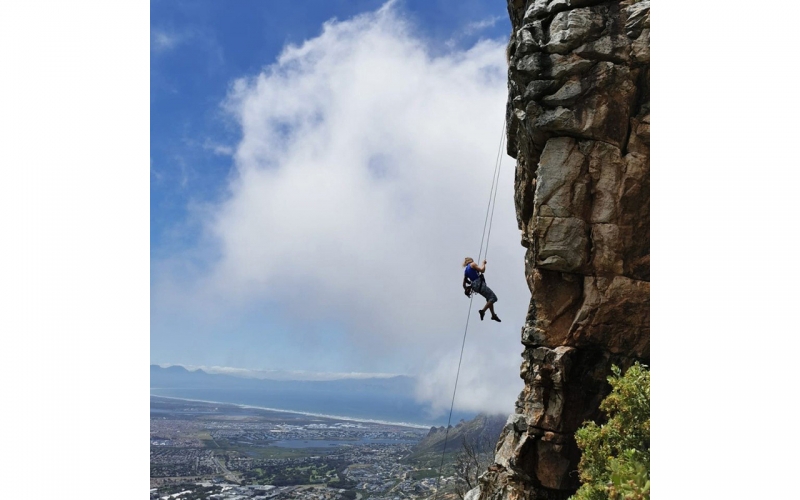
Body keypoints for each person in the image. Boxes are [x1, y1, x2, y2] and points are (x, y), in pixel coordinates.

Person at [462, 257, 501, 322]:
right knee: (493, 297)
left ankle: (493, 315)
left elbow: (464, 285)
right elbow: (482, 270)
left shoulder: (466, 271)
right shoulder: (472, 264)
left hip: (475, 287)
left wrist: (467, 289)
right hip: (479, 283)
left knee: (489, 298)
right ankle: (483, 311)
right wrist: (483, 263)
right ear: (470, 260)